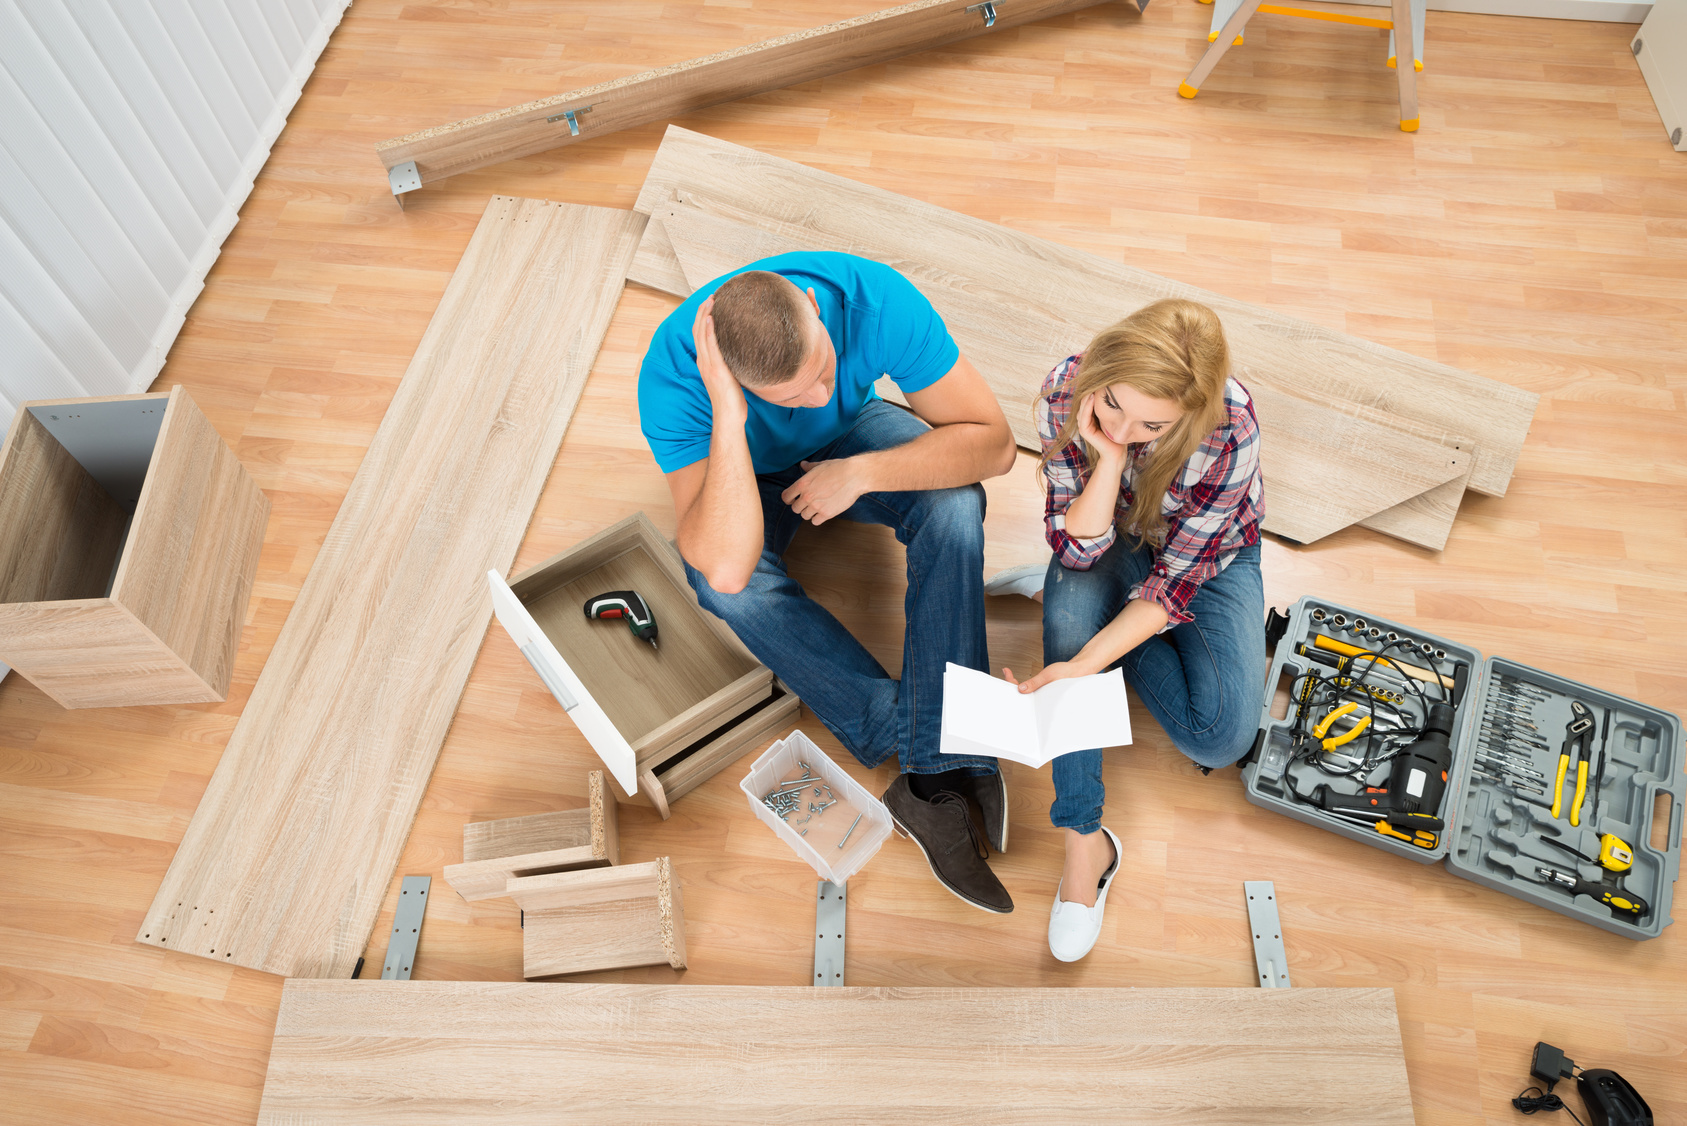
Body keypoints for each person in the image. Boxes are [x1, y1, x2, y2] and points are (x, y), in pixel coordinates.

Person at [639, 252, 1020, 913]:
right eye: (793, 395)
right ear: (729, 380)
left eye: (824, 370)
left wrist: (860, 472)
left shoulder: (872, 300)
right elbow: (724, 565)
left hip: (852, 443)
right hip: (742, 479)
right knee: (724, 587)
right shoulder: (674, 379)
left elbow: (994, 445)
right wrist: (729, 417)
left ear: (814, 310)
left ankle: (930, 771)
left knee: (955, 505)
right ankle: (943, 747)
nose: (817, 395)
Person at [991, 298, 1266, 961]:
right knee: (1072, 616)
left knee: (1219, 737)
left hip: (1205, 557)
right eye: (1112, 403)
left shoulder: (1230, 428)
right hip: (1104, 534)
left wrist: (1088, 660)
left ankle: (1087, 618)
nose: (1122, 427)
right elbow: (1080, 547)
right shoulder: (1066, 389)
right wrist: (1108, 462)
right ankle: (1084, 842)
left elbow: (1175, 583)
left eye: (1152, 424)